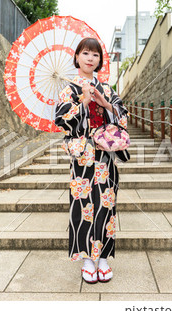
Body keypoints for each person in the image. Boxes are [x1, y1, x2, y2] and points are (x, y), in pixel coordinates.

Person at [54, 38, 129, 284]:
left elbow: (122, 116)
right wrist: (84, 101)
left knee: (106, 204)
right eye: (85, 53)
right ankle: (87, 259)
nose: (90, 58)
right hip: (83, 156)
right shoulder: (68, 89)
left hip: (106, 156)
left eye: (95, 55)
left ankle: (104, 258)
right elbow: (62, 120)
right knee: (82, 205)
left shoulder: (106, 88)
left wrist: (104, 103)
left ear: (99, 60)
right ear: (76, 57)